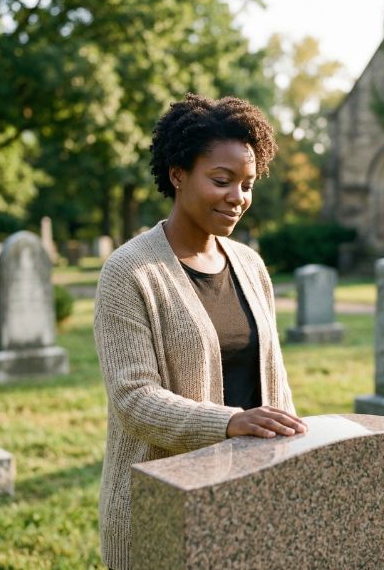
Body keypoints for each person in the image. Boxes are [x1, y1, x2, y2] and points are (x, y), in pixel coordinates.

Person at [93, 93, 307, 570]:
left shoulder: (250, 266)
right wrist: (229, 421)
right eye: (222, 181)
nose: (238, 198)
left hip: (251, 499)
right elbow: (133, 399)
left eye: (248, 184)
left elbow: (275, 381)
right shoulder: (130, 272)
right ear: (177, 175)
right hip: (161, 510)